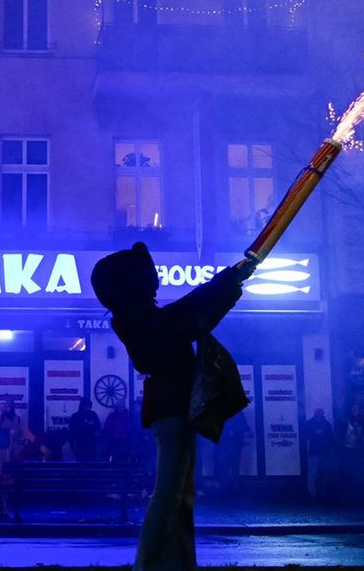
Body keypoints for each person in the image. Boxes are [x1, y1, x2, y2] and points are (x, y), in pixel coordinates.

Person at [92, 242, 247, 571]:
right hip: (171, 409)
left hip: (171, 408)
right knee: (169, 496)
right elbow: (187, 318)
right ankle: (148, 566)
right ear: (134, 280)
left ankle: (177, 564)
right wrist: (227, 283)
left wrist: (226, 283)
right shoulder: (137, 318)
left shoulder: (135, 317)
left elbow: (186, 314)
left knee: (179, 497)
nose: (155, 278)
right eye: (147, 273)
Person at [303, 408, 336, 501]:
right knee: (319, 474)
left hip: (317, 452)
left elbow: (306, 436)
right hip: (322, 453)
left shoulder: (310, 423)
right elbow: (331, 439)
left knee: (316, 474)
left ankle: (314, 494)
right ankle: (319, 494)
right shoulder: (326, 424)